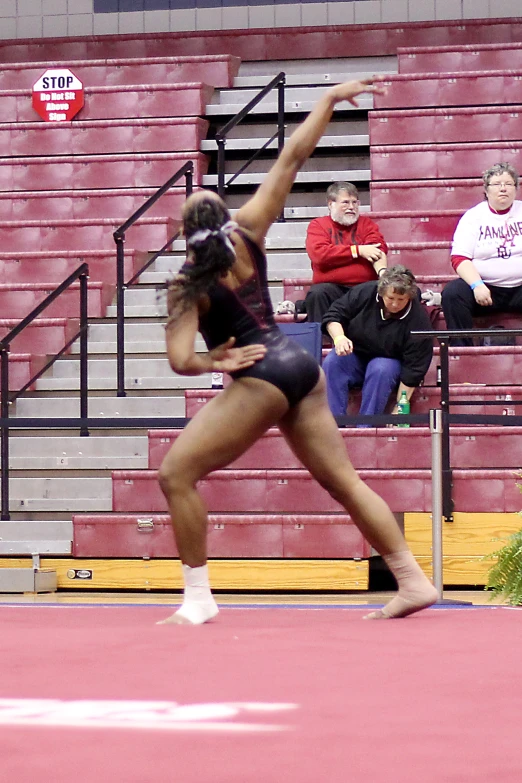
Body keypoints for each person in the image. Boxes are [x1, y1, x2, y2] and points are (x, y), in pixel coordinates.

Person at [157, 78, 438, 626]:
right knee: (345, 481)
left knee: (175, 475)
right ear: (222, 217)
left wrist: (215, 362)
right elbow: (291, 156)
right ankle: (412, 580)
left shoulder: (186, 282)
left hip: (260, 377)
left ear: (183, 233)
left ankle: (198, 598)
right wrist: (330, 100)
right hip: (301, 367)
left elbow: (180, 361)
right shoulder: (248, 231)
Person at [322, 266, 433, 421]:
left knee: (381, 368)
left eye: (401, 300)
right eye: (390, 298)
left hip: (388, 363)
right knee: (333, 361)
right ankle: (334, 423)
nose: (395, 304)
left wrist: (400, 407)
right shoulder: (364, 292)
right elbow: (333, 315)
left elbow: (415, 368)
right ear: (381, 293)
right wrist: (339, 337)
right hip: (356, 354)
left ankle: (367, 425)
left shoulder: (419, 319)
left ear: (410, 297)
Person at [441, 162, 522, 346]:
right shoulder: (473, 217)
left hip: (520, 288)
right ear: (486, 190)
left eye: (508, 184)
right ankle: (463, 355)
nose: (503, 189)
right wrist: (477, 284)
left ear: (516, 189)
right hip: (486, 289)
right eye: (497, 184)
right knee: (453, 294)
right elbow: (459, 258)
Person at [303, 181, 388, 323]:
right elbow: (320, 255)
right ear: (331, 204)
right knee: (316, 293)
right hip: (330, 289)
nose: (351, 207)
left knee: (380, 290)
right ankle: (324, 343)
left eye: (355, 202)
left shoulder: (367, 225)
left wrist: (382, 272)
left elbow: (376, 251)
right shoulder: (318, 225)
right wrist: (358, 251)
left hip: (364, 287)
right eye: (345, 202)